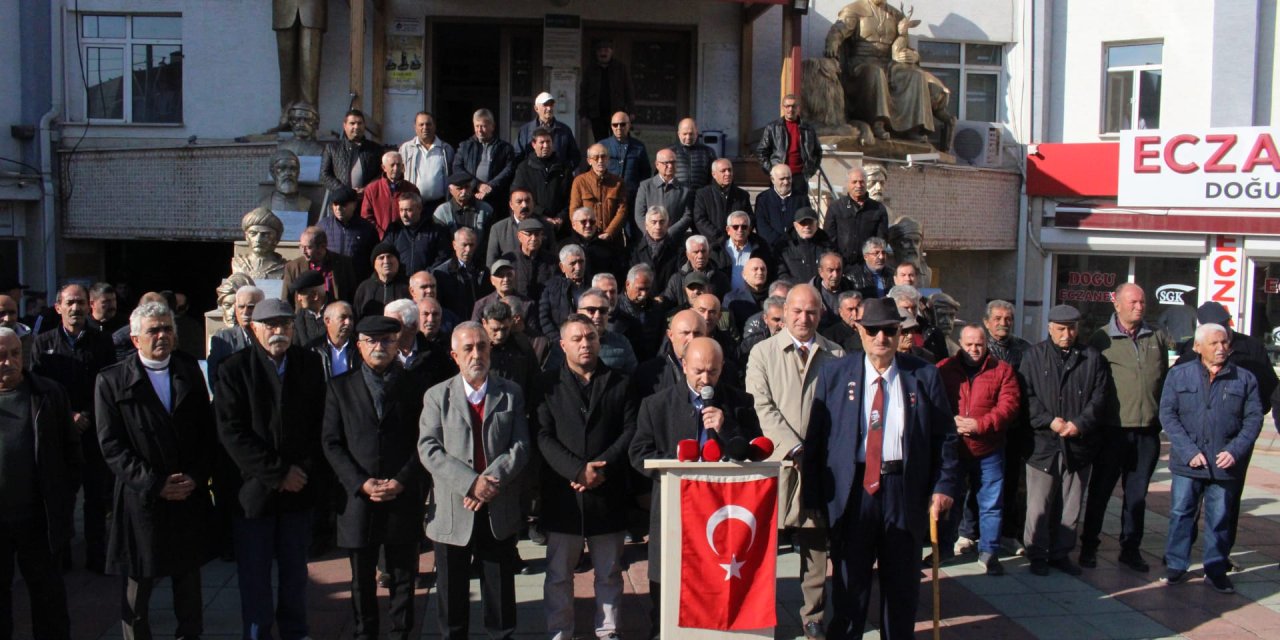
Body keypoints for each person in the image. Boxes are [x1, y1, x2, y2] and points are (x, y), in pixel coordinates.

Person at [803, 296, 960, 639]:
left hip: (903, 491)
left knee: (902, 590)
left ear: (899, 333)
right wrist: (813, 499)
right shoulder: (834, 374)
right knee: (849, 589)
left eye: (889, 331)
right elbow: (815, 441)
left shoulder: (924, 375)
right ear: (859, 330)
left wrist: (944, 486)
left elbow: (946, 438)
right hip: (853, 492)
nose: (881, 338)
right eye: (872, 330)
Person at [95, 302, 215, 639]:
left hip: (186, 495)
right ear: (135, 339)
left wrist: (195, 474)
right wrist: (155, 483)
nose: (162, 336)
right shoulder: (112, 380)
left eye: (167, 329)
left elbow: (206, 432)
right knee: (137, 594)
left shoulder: (188, 369)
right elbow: (111, 447)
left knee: (189, 587)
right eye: (154, 330)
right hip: (141, 501)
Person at [629, 337, 760, 638]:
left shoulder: (740, 401)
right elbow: (638, 454)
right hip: (676, 508)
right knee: (669, 584)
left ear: (722, 368)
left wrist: (726, 428)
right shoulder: (656, 404)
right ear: (684, 365)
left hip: (723, 512)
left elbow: (755, 450)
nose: (705, 379)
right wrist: (675, 463)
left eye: (712, 372)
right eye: (698, 370)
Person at [214, 298, 326, 640]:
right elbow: (232, 433)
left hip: (298, 489)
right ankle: (258, 633)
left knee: (295, 572)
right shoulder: (234, 369)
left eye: (286, 325)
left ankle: (295, 630)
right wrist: (278, 474)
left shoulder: (308, 364)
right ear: (253, 329)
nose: (279, 332)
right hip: (253, 493)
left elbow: (320, 425)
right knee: (255, 576)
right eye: (271, 325)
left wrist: (300, 472)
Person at [418, 322, 530, 640]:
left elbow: (520, 446)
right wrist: (470, 483)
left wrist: (490, 482)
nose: (476, 354)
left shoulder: (510, 393)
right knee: (452, 598)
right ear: (454, 355)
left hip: (498, 506)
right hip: (453, 509)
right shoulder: (437, 397)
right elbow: (429, 448)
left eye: (482, 346)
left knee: (499, 595)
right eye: (468, 348)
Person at [322, 314, 431, 640]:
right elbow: (331, 442)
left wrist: (402, 480)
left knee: (402, 575)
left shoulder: (415, 386)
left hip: (402, 494)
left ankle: (401, 632)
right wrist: (360, 482)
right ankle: (364, 632)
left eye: (386, 340)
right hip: (358, 498)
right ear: (360, 346)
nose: (379, 346)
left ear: (397, 344)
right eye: (372, 341)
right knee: (361, 577)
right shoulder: (340, 388)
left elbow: (425, 440)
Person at [745, 285, 843, 638]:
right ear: (784, 312)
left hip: (819, 467)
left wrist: (817, 452)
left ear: (821, 315)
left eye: (811, 312)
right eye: (797, 311)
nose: (804, 318)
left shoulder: (836, 354)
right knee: (764, 544)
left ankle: (813, 615)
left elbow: (841, 412)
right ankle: (759, 613)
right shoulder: (762, 353)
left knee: (816, 546)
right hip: (776, 464)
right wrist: (793, 447)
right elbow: (761, 406)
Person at [536, 314, 637, 640]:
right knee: (558, 575)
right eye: (577, 339)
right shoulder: (547, 384)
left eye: (590, 338)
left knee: (608, 572)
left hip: (607, 492)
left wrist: (600, 467)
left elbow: (630, 431)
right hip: (563, 493)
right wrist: (577, 470)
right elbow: (541, 435)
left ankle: (608, 631)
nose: (585, 344)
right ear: (562, 344)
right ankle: (559, 631)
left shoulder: (621, 381)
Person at [1160, 323, 1262, 594]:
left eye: (1224, 343)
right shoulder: (1179, 375)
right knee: (1182, 513)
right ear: (1197, 347)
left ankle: (1216, 569)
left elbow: (1253, 419)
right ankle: (1176, 566)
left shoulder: (1244, 378)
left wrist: (1235, 451)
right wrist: (1189, 451)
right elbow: (1168, 415)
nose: (1221, 348)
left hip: (1224, 463)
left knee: (1220, 517)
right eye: (1214, 344)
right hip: (1187, 463)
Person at [1080, 284, 1170, 573]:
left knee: (1137, 496)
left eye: (1142, 301)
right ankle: (1089, 546)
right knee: (1100, 492)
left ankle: (1130, 548)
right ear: (1116, 304)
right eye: (1132, 301)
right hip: (1112, 431)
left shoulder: (1156, 336)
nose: (1139, 306)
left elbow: (1164, 379)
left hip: (1146, 433)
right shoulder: (1101, 338)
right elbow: (1090, 382)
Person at [30, 283, 117, 573]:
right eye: (70, 303)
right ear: (58, 307)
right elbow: (38, 389)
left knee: (95, 497)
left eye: (80, 302)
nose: (75, 308)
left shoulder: (102, 343)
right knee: (62, 498)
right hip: (58, 432)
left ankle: (96, 557)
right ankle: (62, 556)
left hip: (92, 430)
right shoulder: (43, 344)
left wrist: (88, 415)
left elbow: (108, 386)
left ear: (88, 305)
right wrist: (67, 416)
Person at [1018, 304, 1109, 577]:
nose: (1066, 334)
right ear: (1049, 328)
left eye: (1071, 328)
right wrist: (1049, 420)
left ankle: (1061, 553)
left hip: (1078, 443)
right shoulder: (1033, 356)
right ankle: (1036, 553)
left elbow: (1100, 397)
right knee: (1039, 504)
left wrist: (1079, 424)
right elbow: (1026, 396)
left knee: (1071, 503)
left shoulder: (1092, 358)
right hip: (1043, 444)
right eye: (1060, 329)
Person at [0, 327, 78, 639]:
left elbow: (72, 452)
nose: (8, 362)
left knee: (48, 599)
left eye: (15, 354)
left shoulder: (47, 393)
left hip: (38, 518)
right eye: (1, 356)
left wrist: (63, 497)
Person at [934, 324, 1021, 576]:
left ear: (986, 345)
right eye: (969, 344)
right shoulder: (944, 369)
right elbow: (934, 403)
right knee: (950, 501)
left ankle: (990, 552)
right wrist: (952, 422)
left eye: (979, 344)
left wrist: (979, 425)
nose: (974, 349)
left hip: (989, 448)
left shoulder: (1002, 370)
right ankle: (944, 550)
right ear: (960, 344)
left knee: (991, 503)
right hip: (954, 449)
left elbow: (1009, 407)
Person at [756, 94, 822, 199]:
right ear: (783, 107)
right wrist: (771, 171)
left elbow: (817, 152)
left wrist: (810, 171)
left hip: (800, 177)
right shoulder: (772, 128)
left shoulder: (808, 129)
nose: (790, 109)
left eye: (793, 106)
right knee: (777, 208)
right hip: (779, 177)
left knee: (798, 210)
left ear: (798, 108)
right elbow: (761, 151)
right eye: (787, 106)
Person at [452, 109, 517, 214]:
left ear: (493, 126)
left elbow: (509, 169)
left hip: (496, 199)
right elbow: (457, 168)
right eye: (477, 126)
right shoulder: (465, 146)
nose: (480, 130)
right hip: (471, 197)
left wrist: (491, 186)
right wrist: (477, 184)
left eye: (483, 126)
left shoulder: (505, 148)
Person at [823, 167, 889, 270]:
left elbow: (881, 241)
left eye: (862, 182)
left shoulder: (878, 209)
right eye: (854, 182)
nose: (858, 185)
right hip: (841, 267)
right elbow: (828, 238)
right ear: (848, 184)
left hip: (867, 267)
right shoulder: (836, 207)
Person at [511, 128, 572, 232]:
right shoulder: (524, 168)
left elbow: (570, 195)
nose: (546, 146)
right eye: (542, 142)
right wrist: (541, 215)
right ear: (534, 144)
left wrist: (561, 217)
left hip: (561, 226)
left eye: (548, 142)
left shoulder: (563, 167)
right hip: (533, 223)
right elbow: (517, 195)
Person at [320, 109, 383, 203]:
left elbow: (382, 174)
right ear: (344, 125)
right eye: (352, 123)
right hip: (341, 203)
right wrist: (344, 191)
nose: (356, 127)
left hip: (367, 201)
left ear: (364, 125)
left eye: (360, 123)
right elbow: (324, 175)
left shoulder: (375, 149)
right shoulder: (332, 148)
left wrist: (367, 189)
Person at [282, 226, 359, 304]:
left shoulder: (343, 263)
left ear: (322, 246)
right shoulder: (292, 267)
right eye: (301, 246)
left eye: (308, 247)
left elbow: (352, 294)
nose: (303, 251)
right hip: (305, 315)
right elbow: (286, 300)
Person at [319, 186, 380, 282]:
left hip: (357, 281)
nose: (338, 208)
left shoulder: (367, 229)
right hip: (330, 282)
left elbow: (374, 257)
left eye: (343, 204)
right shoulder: (323, 227)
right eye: (335, 204)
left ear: (354, 205)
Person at [570, 145, 629, 244]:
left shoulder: (618, 182)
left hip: (612, 240)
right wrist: (584, 232)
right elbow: (574, 210)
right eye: (596, 157)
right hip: (587, 239)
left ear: (608, 160)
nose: (600, 160)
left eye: (603, 157)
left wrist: (609, 232)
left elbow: (622, 211)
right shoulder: (579, 181)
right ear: (589, 161)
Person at [599, 112, 650, 224]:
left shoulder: (638, 147)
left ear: (629, 125)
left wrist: (639, 193)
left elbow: (645, 173)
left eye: (622, 124)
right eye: (615, 125)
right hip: (608, 197)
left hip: (631, 198)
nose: (618, 128)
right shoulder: (602, 146)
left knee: (632, 232)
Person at [580, 39, 636, 143]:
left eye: (606, 50)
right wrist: (583, 114)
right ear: (596, 53)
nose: (603, 53)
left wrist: (631, 111)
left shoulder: (620, 68)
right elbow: (583, 93)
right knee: (601, 142)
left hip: (617, 112)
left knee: (622, 141)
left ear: (611, 52)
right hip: (597, 114)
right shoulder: (590, 70)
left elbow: (629, 90)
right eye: (600, 50)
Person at [207, 285, 263, 386]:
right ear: (236, 309)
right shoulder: (223, 339)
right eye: (241, 307)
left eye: (251, 307)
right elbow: (214, 376)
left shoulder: (269, 336)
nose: (245, 312)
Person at [400, 111, 454, 214]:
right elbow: (399, 174)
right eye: (421, 124)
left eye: (428, 124)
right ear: (415, 127)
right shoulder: (406, 148)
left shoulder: (446, 149)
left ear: (434, 126)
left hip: (439, 204)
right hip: (412, 205)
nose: (425, 127)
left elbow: (452, 176)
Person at [434, 227, 494, 321]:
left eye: (471, 245)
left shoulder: (483, 271)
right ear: (454, 245)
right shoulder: (441, 273)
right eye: (464, 245)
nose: (468, 249)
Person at [384, 191, 449, 276]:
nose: (404, 215)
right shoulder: (394, 230)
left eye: (408, 210)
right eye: (401, 210)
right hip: (400, 282)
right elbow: (385, 253)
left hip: (427, 281)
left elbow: (443, 257)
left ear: (419, 208)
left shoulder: (435, 230)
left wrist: (426, 274)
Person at [634, 148, 694, 238]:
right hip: (650, 239)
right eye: (666, 163)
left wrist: (669, 233)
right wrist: (651, 232)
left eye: (673, 162)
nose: (670, 166)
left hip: (675, 240)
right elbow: (639, 214)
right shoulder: (645, 186)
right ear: (657, 165)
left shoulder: (685, 189)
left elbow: (687, 215)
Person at [486, 188, 554, 268]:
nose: (524, 205)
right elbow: (491, 262)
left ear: (533, 203)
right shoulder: (498, 228)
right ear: (511, 205)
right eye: (519, 202)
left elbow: (553, 258)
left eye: (528, 201)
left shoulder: (546, 226)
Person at [692, 159, 753, 246]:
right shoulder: (703, 194)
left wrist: (739, 234)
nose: (728, 173)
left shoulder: (742, 195)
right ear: (714, 174)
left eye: (730, 170)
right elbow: (700, 220)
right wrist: (719, 237)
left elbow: (749, 217)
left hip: (738, 243)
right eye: (723, 171)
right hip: (713, 244)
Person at [614, 264, 665, 363]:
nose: (644, 294)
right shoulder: (616, 309)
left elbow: (662, 341)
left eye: (647, 289)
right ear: (628, 284)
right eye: (640, 289)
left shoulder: (656, 309)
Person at [516, 92, 580, 169]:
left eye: (551, 105)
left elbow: (575, 157)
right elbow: (517, 156)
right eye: (545, 105)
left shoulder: (564, 130)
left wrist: (564, 171)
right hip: (532, 178)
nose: (549, 108)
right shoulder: (525, 131)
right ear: (536, 108)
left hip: (557, 177)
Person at [659, 235, 730, 305]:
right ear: (687, 254)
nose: (700, 256)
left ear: (709, 252)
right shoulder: (676, 279)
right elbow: (668, 303)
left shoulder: (720, 278)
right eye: (696, 252)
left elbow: (726, 303)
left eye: (703, 251)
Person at [712, 211, 773, 292]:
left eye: (744, 227)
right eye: (735, 227)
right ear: (728, 230)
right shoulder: (717, 250)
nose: (740, 230)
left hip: (753, 299)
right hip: (725, 299)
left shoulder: (760, 249)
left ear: (749, 229)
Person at [628, 206, 681, 299]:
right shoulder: (634, 250)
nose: (658, 227)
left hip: (668, 302)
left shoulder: (677, 249)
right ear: (646, 225)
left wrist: (663, 297)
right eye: (654, 222)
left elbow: (677, 279)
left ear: (668, 224)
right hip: (641, 300)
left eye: (662, 222)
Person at [433, 170, 495, 247]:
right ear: (450, 190)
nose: (464, 191)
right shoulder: (442, 212)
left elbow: (490, 241)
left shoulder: (486, 210)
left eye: (467, 187)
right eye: (459, 188)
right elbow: (441, 243)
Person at [538, 245, 589, 339]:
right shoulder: (550, 288)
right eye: (573, 263)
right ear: (562, 267)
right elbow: (544, 318)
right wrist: (559, 341)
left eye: (581, 262)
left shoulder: (593, 285)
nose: (578, 267)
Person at [774, 207, 833, 284]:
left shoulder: (827, 244)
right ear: (795, 225)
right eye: (803, 223)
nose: (807, 226)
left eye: (810, 223)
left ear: (816, 224)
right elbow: (781, 273)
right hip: (793, 291)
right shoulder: (784, 246)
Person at [754, 164, 809, 247]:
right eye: (782, 179)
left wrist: (790, 241)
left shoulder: (802, 199)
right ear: (772, 179)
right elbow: (761, 225)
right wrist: (779, 241)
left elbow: (806, 223)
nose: (786, 182)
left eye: (788, 178)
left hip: (795, 248)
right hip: (770, 248)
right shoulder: (763, 199)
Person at [352, 242, 411, 319]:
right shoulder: (364, 288)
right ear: (374, 264)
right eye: (381, 258)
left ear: (398, 261)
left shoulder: (408, 286)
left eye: (390, 256)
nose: (386, 261)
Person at [509, 218, 560, 304]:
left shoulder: (552, 261)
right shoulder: (510, 260)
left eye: (537, 234)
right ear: (519, 236)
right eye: (529, 234)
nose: (533, 238)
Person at [666, 118, 715, 190]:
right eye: (685, 134)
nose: (688, 137)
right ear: (679, 134)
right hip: (676, 196)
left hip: (700, 197)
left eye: (691, 134)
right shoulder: (669, 151)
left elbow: (714, 177)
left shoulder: (708, 152)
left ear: (697, 133)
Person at [314, 300, 357, 378]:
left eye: (351, 318)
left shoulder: (360, 348)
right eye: (342, 317)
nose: (348, 322)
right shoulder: (314, 350)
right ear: (328, 321)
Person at [813, 252, 853, 329]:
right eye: (830, 270)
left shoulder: (851, 290)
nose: (835, 275)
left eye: (838, 270)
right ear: (821, 272)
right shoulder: (811, 295)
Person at [289, 270, 328, 347]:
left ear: (314, 295)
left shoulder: (339, 313)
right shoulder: (299, 317)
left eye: (301, 294)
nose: (298, 299)